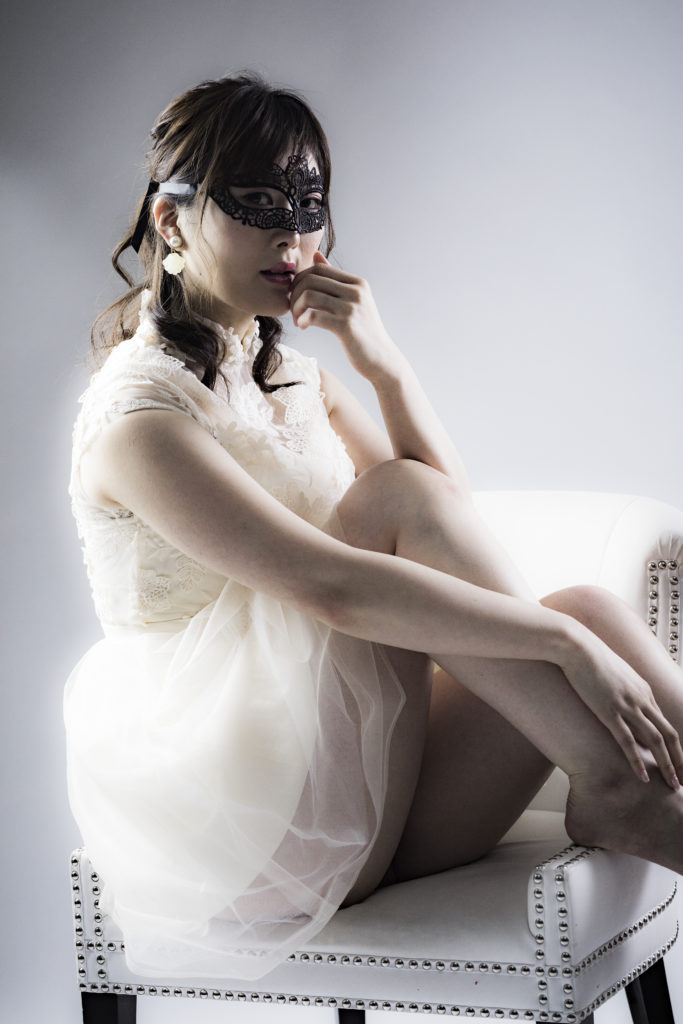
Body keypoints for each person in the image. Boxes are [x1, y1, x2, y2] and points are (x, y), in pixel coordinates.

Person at [64, 72, 683, 983]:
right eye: (258, 203)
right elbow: (335, 588)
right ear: (171, 221)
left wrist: (383, 364)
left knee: (585, 604)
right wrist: (559, 647)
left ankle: (621, 794)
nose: (292, 237)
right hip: (253, 827)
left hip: (358, 781)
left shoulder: (293, 378)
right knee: (476, 561)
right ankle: (619, 789)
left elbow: (450, 518)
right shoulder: (139, 418)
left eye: (308, 205)